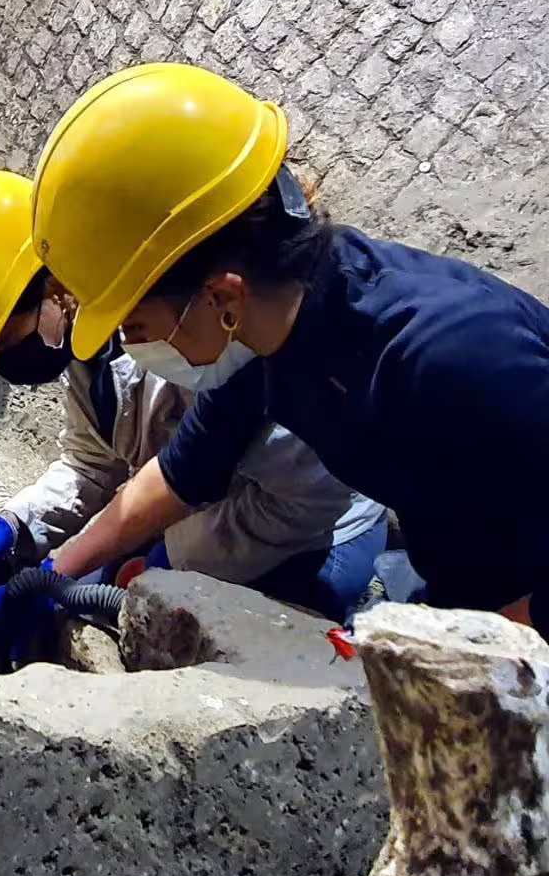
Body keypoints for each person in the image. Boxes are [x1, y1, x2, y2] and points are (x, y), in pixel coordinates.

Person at [32, 63, 549, 639]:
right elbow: (187, 469)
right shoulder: (268, 336)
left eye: (136, 326)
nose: (134, 347)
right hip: (463, 580)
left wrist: (475, 647)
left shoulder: (454, 356)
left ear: (222, 296)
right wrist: (56, 572)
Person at [0, 169, 387, 663]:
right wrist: (13, 526)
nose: (4, 361)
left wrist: (164, 561)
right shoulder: (86, 351)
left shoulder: (202, 339)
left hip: (312, 535)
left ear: (55, 288)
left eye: (6, 339)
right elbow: (92, 465)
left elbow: (301, 503)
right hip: (194, 516)